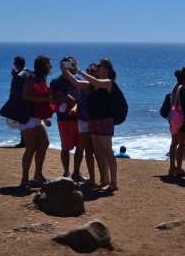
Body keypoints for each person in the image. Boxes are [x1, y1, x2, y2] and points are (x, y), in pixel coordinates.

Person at [62, 58, 119, 192]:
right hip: (93, 120)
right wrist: (66, 70)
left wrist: (79, 70)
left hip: (105, 120)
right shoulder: (91, 85)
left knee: (107, 151)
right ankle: (104, 180)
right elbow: (75, 82)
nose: (97, 68)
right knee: (98, 152)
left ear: (107, 70)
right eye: (97, 66)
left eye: (100, 66)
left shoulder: (108, 83)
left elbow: (96, 81)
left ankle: (113, 182)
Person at [19, 55, 54, 187]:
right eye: (49, 63)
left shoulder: (40, 78)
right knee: (31, 148)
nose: (51, 66)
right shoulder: (31, 78)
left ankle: (37, 175)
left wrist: (45, 117)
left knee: (44, 143)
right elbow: (26, 96)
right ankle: (24, 178)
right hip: (28, 117)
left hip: (36, 117)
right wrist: (45, 100)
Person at [50, 56, 85, 180]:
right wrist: (65, 98)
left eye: (72, 64)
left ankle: (76, 172)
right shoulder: (56, 82)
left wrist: (77, 105)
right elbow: (52, 100)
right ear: (61, 66)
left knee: (80, 146)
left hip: (78, 118)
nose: (69, 67)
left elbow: (83, 99)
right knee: (65, 147)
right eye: (66, 65)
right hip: (64, 119)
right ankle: (66, 173)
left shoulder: (79, 80)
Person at [10, 56, 29, 148]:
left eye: (14, 64)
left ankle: (23, 141)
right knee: (27, 121)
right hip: (29, 100)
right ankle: (28, 140)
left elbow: (14, 91)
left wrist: (11, 101)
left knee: (22, 121)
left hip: (20, 100)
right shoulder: (29, 72)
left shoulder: (18, 76)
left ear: (17, 64)